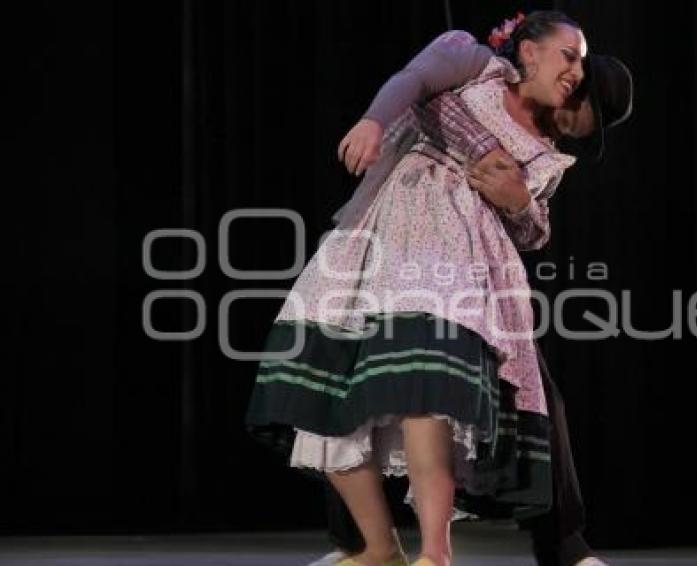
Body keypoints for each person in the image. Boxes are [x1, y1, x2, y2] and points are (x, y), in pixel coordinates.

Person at [244, 11, 602, 566]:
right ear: (528, 51)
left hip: (456, 249)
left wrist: (519, 202)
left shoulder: (547, 152)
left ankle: (438, 552)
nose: (578, 71)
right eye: (570, 55)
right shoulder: (473, 63)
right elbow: (412, 82)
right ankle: (375, 549)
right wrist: (371, 121)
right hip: (382, 229)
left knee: (428, 381)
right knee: (331, 379)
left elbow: (533, 229)